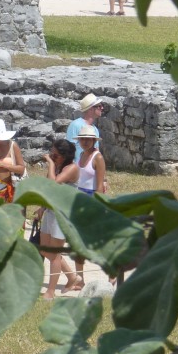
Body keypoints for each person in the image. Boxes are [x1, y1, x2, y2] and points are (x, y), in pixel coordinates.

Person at [36, 138, 80, 299]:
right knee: (45, 249)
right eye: (51, 154)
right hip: (51, 211)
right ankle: (72, 277)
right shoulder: (60, 165)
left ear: (64, 156)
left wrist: (50, 164)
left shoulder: (72, 168)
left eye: (55, 155)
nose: (52, 157)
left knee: (54, 253)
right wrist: (42, 206)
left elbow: (53, 183)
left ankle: (51, 291)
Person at [72, 124, 106, 290]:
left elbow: (99, 186)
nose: (84, 142)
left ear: (93, 140)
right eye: (82, 139)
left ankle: (113, 273)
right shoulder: (82, 156)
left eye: (87, 139)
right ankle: (80, 279)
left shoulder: (97, 157)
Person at [66, 93, 105, 162]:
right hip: (77, 168)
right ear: (90, 109)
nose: (102, 108)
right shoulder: (75, 125)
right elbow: (69, 149)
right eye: (99, 106)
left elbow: (96, 150)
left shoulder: (95, 129)